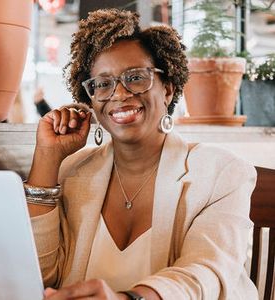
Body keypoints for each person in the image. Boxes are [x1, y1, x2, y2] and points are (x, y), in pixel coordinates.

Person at [25, 8, 258, 300]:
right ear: (91, 100)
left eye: (135, 78)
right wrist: (47, 158)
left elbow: (205, 272)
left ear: (168, 90)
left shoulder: (221, 172)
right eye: (103, 84)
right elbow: (39, 277)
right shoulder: (73, 171)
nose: (119, 94)